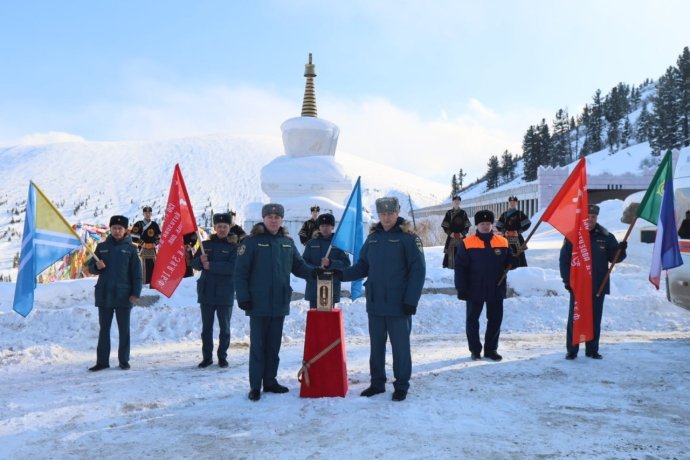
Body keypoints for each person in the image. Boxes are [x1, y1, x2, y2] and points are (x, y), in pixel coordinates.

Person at [336, 197, 426, 402]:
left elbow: (418, 271)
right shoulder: (373, 238)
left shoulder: (409, 239)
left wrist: (411, 300)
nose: (386, 217)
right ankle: (377, 383)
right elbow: (362, 266)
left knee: (400, 348)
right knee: (376, 346)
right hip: (376, 303)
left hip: (399, 304)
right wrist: (340, 274)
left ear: (397, 213)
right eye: (382, 214)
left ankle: (401, 385)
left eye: (390, 213)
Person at [234, 203, 315, 401]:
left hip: (279, 303)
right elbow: (240, 272)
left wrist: (316, 273)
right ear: (263, 219)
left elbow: (299, 267)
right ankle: (255, 386)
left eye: (277, 217)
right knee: (258, 347)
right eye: (269, 217)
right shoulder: (251, 242)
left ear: (282, 219)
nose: (273, 220)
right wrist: (243, 296)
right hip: (257, 303)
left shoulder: (287, 243)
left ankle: (270, 381)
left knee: (273, 346)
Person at [560, 204, 627, 360]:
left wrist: (621, 250)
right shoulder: (573, 235)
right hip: (578, 285)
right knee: (575, 318)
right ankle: (572, 350)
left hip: (598, 284)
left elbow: (615, 259)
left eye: (593, 217)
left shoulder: (606, 236)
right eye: (588, 216)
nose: (590, 219)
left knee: (594, 318)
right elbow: (564, 261)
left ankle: (592, 349)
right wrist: (567, 281)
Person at [454, 210, 514, 362]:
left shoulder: (503, 242)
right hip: (474, 288)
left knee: (495, 319)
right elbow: (460, 268)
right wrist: (461, 288)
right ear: (477, 225)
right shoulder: (467, 243)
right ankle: (475, 350)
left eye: (488, 224)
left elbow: (509, 261)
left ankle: (491, 349)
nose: (486, 226)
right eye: (482, 224)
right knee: (472, 320)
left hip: (496, 287)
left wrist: (512, 261)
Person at [87, 215, 142, 371]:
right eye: (114, 228)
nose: (117, 231)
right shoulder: (101, 247)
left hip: (124, 296)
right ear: (110, 229)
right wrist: (96, 266)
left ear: (125, 230)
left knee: (124, 330)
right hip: (105, 294)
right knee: (104, 329)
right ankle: (102, 362)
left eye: (120, 228)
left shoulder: (131, 249)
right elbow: (90, 268)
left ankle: (124, 360)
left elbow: (137, 274)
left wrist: (135, 294)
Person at [192, 213, 240, 369]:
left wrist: (210, 265)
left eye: (225, 226)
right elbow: (194, 264)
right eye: (219, 226)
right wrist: (200, 260)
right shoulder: (205, 244)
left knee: (224, 328)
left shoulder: (235, 248)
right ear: (215, 227)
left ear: (229, 228)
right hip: (207, 291)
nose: (221, 229)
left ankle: (222, 357)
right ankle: (207, 357)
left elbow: (233, 268)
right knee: (206, 328)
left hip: (225, 292)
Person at [302, 213, 351, 308]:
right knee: (314, 318)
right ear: (319, 227)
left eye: (328, 225)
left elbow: (346, 264)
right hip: (314, 285)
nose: (325, 228)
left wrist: (331, 263)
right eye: (322, 225)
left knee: (329, 319)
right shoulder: (311, 243)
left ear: (332, 227)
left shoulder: (339, 244)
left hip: (331, 285)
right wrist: (315, 269)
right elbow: (303, 263)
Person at [495, 196, 531, 267]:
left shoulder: (520, 214)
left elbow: (527, 224)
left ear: (516, 203)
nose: (512, 204)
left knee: (520, 255)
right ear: (508, 203)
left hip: (517, 237)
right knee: (506, 253)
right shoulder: (504, 215)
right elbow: (498, 225)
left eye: (514, 202)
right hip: (506, 237)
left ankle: (522, 270)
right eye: (511, 202)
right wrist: (504, 232)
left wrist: (518, 232)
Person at [130, 205, 161, 285]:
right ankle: (142, 284)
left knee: (153, 266)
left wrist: (154, 244)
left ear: (151, 214)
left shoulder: (155, 225)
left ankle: (153, 283)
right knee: (142, 266)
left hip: (152, 249)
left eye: (149, 213)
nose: (147, 214)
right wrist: (143, 244)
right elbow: (133, 236)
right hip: (142, 249)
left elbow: (159, 237)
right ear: (143, 214)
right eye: (146, 212)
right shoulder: (139, 224)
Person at [441, 196, 471, 269]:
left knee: (464, 252)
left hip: (462, 237)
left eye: (458, 201)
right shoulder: (449, 213)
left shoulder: (463, 213)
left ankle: (463, 267)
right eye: (455, 201)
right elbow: (445, 226)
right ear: (452, 202)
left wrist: (461, 234)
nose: (457, 202)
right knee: (450, 256)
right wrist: (451, 234)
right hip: (451, 237)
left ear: (460, 202)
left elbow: (467, 226)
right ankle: (450, 268)